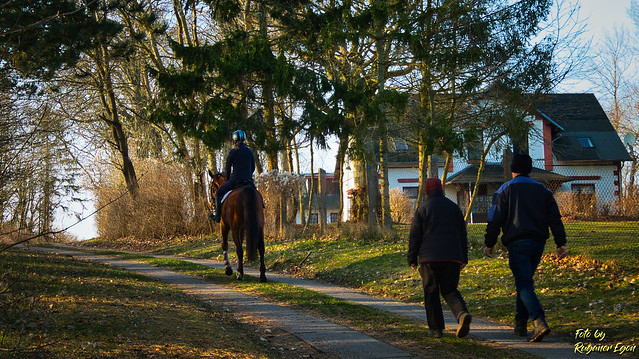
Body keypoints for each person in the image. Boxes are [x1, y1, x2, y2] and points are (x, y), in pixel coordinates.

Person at [484, 153, 567, 343]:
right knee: (525, 281)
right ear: (529, 169)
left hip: (517, 242)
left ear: (513, 169)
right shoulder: (543, 190)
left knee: (524, 284)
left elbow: (494, 219)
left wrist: (490, 243)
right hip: (538, 242)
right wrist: (560, 242)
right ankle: (520, 324)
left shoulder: (505, 190)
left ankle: (539, 321)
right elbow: (555, 218)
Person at [408, 178, 472, 339]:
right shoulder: (454, 208)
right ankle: (461, 313)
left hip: (429, 258)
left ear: (427, 191)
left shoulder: (423, 208)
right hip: (452, 257)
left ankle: (436, 329)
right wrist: (464, 257)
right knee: (450, 289)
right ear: (442, 190)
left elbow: (415, 235)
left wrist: (412, 258)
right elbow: (462, 234)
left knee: (431, 292)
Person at [211, 130, 256, 223]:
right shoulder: (250, 151)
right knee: (257, 196)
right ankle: (260, 209)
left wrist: (227, 179)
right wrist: (248, 175)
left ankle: (217, 216)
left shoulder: (233, 152)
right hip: (248, 180)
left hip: (235, 180)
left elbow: (227, 169)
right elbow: (253, 168)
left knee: (219, 193)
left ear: (234, 140)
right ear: (244, 139)